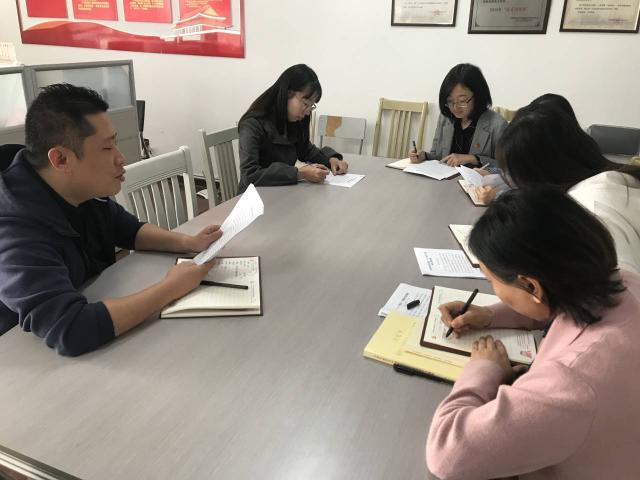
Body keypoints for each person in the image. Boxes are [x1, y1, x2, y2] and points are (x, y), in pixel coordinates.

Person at [427, 186, 640, 479]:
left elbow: (447, 455)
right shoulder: (623, 281)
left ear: (530, 285)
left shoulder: (572, 384)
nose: (493, 290)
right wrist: (490, 315)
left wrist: (483, 369)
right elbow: (556, 304)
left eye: (490, 281)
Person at [0, 84, 222, 354]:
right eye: (107, 148)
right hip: (23, 357)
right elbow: (69, 328)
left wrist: (188, 242)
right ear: (61, 159)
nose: (121, 158)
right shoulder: (14, 226)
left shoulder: (78, 188)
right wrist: (171, 287)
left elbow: (129, 230)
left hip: (94, 319)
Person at [491, 101, 640, 274]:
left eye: (515, 178)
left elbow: (622, 285)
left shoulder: (591, 209)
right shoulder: (614, 178)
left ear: (540, 173)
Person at [237, 64, 348, 193]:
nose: (308, 111)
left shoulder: (291, 119)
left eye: (312, 106)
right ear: (287, 93)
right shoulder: (252, 124)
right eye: (305, 103)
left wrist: (330, 159)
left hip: (281, 192)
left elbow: (305, 149)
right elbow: (249, 174)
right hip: (254, 198)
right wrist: (299, 174)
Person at [409, 63, 507, 168]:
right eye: (450, 101)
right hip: (445, 178)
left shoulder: (497, 125)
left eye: (462, 101)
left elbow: (507, 168)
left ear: (478, 96)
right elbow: (438, 157)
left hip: (475, 179)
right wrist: (424, 156)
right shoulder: (445, 118)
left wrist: (474, 159)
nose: (455, 107)